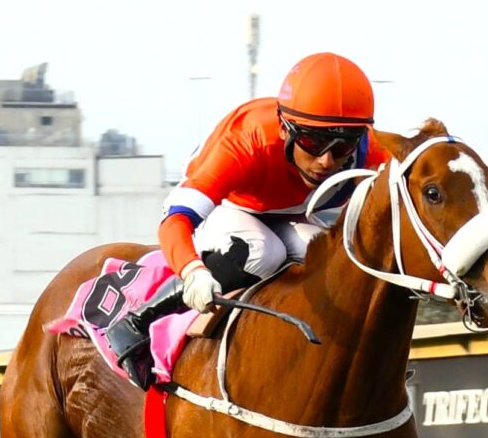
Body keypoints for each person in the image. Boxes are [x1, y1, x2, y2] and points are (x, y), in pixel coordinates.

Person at [107, 51, 390, 386]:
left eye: (343, 146)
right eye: (313, 142)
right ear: (285, 130)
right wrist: (193, 271)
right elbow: (174, 221)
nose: (327, 161)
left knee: (326, 256)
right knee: (264, 252)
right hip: (233, 205)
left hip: (296, 211)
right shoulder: (246, 143)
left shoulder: (371, 152)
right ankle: (139, 320)